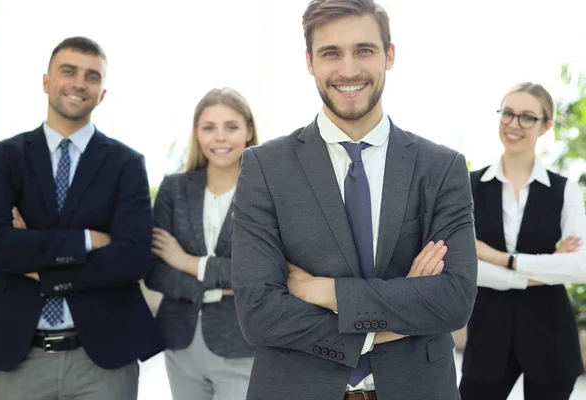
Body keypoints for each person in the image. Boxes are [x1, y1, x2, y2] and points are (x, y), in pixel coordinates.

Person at [230, 1, 478, 399]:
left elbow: (453, 300)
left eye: (364, 50)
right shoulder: (264, 166)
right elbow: (258, 312)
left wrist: (324, 291)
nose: (348, 70)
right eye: (331, 53)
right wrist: (384, 323)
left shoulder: (441, 167)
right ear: (309, 61)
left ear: (389, 56)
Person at [0, 36, 163, 400]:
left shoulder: (127, 164)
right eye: (68, 71)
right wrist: (86, 240)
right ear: (47, 81)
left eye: (92, 76)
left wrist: (36, 260)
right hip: (20, 355)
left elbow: (132, 260)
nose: (79, 83)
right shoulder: (4, 157)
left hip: (102, 361)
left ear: (102, 93)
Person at [459, 82, 586, 400]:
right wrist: (545, 269)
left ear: (545, 126)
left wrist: (501, 258)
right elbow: (464, 267)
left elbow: (579, 267)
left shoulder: (565, 189)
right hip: (487, 337)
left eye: (527, 117)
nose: (514, 124)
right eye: (508, 113)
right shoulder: (468, 187)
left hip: (552, 341)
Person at [145, 88, 259, 400]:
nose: (219, 137)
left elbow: (261, 273)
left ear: (249, 131)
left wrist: (186, 262)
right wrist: (220, 286)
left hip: (242, 343)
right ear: (197, 133)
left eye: (231, 127)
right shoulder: (173, 188)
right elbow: (154, 271)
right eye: (209, 127)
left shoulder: (267, 193)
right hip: (179, 341)